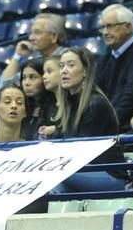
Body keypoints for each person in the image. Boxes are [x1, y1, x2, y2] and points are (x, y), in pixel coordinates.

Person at [51, 47, 127, 192]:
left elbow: (82, 154)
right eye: (61, 66)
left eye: (71, 65)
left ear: (85, 71)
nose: (64, 71)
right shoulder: (68, 106)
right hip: (80, 173)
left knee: (55, 173)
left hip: (109, 176)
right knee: (58, 188)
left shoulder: (95, 103)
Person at [96, 4, 133, 129]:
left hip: (130, 123)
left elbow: (131, 94)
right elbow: (97, 95)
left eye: (110, 26)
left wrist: (110, 124)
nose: (105, 32)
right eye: (103, 27)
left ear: (128, 27)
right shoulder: (105, 59)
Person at [0, 13, 67, 88]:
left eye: (37, 32)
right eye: (31, 33)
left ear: (54, 37)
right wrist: (17, 56)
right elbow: (4, 87)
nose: (31, 38)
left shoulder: (68, 57)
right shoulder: (34, 60)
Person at [19, 58, 54, 140]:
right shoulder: (21, 106)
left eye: (33, 77)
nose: (26, 83)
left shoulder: (54, 106)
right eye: (24, 78)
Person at [38, 55, 61, 139]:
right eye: (44, 72)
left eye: (49, 71)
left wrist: (55, 130)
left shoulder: (74, 102)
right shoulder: (48, 103)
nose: (44, 76)